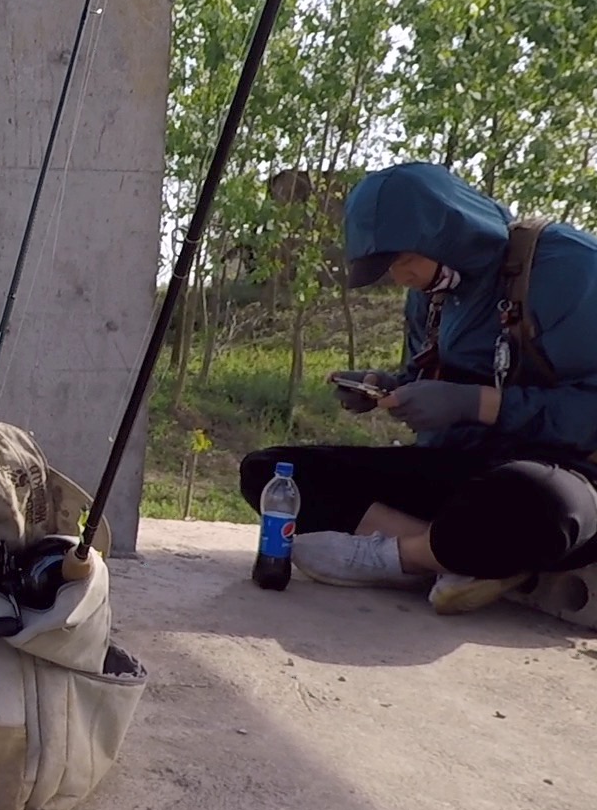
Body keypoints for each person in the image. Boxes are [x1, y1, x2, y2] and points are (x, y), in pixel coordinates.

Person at [240, 161, 597, 615]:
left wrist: (480, 404)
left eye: (404, 260)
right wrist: (389, 389)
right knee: (271, 472)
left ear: (449, 232)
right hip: (467, 471)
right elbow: (428, 377)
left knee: (532, 504)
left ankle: (399, 557)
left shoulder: (568, 268)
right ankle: (458, 554)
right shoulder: (432, 291)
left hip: (567, 478)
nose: (400, 277)